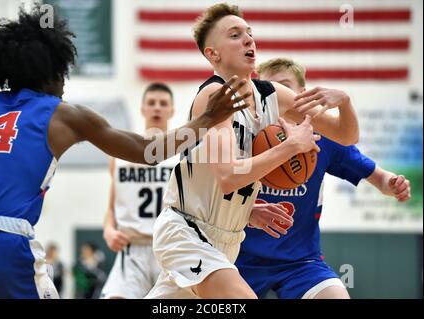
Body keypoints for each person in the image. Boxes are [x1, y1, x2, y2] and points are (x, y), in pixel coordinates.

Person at [0, 5, 251, 299]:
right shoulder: (62, 115)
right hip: (7, 245)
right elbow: (146, 150)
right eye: (63, 73)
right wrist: (206, 120)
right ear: (49, 70)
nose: (65, 84)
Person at [145, 3, 360, 299]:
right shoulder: (216, 96)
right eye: (235, 35)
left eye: (249, 33)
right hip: (187, 232)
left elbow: (346, 136)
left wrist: (345, 102)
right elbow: (229, 176)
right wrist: (291, 147)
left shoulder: (273, 96)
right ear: (213, 54)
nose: (248, 39)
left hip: (227, 240)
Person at [235, 57, 412, 299]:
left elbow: (379, 179)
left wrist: (393, 184)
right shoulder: (244, 134)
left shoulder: (323, 137)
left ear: (302, 94)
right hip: (239, 257)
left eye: (284, 87)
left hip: (299, 261)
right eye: (269, 88)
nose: (277, 95)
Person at [100, 83, 176, 298]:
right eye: (151, 103)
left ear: (172, 111)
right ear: (142, 109)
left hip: (171, 248)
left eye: (163, 104)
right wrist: (108, 231)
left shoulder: (181, 155)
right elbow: (110, 209)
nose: (157, 108)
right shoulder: (120, 154)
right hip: (132, 248)